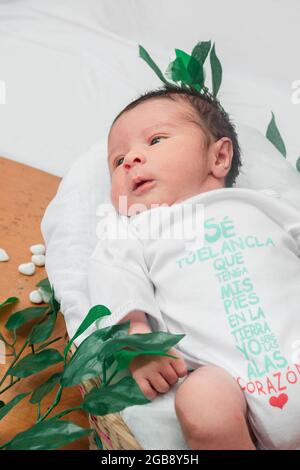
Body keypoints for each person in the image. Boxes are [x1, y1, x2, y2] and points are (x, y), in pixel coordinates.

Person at [88, 85, 300, 450]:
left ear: (219, 157)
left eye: (155, 140)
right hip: (230, 388)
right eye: (117, 161)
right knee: (201, 400)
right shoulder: (136, 231)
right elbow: (113, 279)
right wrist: (140, 338)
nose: (131, 160)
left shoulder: (262, 205)